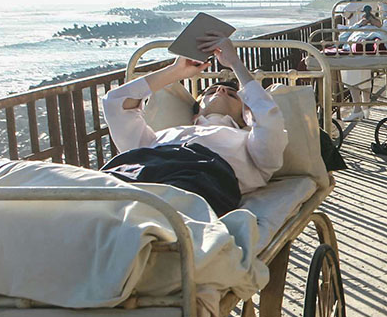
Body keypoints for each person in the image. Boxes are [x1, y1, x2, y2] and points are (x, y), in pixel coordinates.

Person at [100, 34, 287, 215]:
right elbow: (114, 103)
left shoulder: (250, 145)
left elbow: (268, 117)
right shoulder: (157, 137)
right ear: (196, 112)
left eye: (232, 94)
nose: (221, 90)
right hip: (131, 173)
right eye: (211, 91)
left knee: (145, 212)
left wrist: (235, 63)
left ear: (245, 116)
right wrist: (176, 71)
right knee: (87, 187)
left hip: (194, 181)